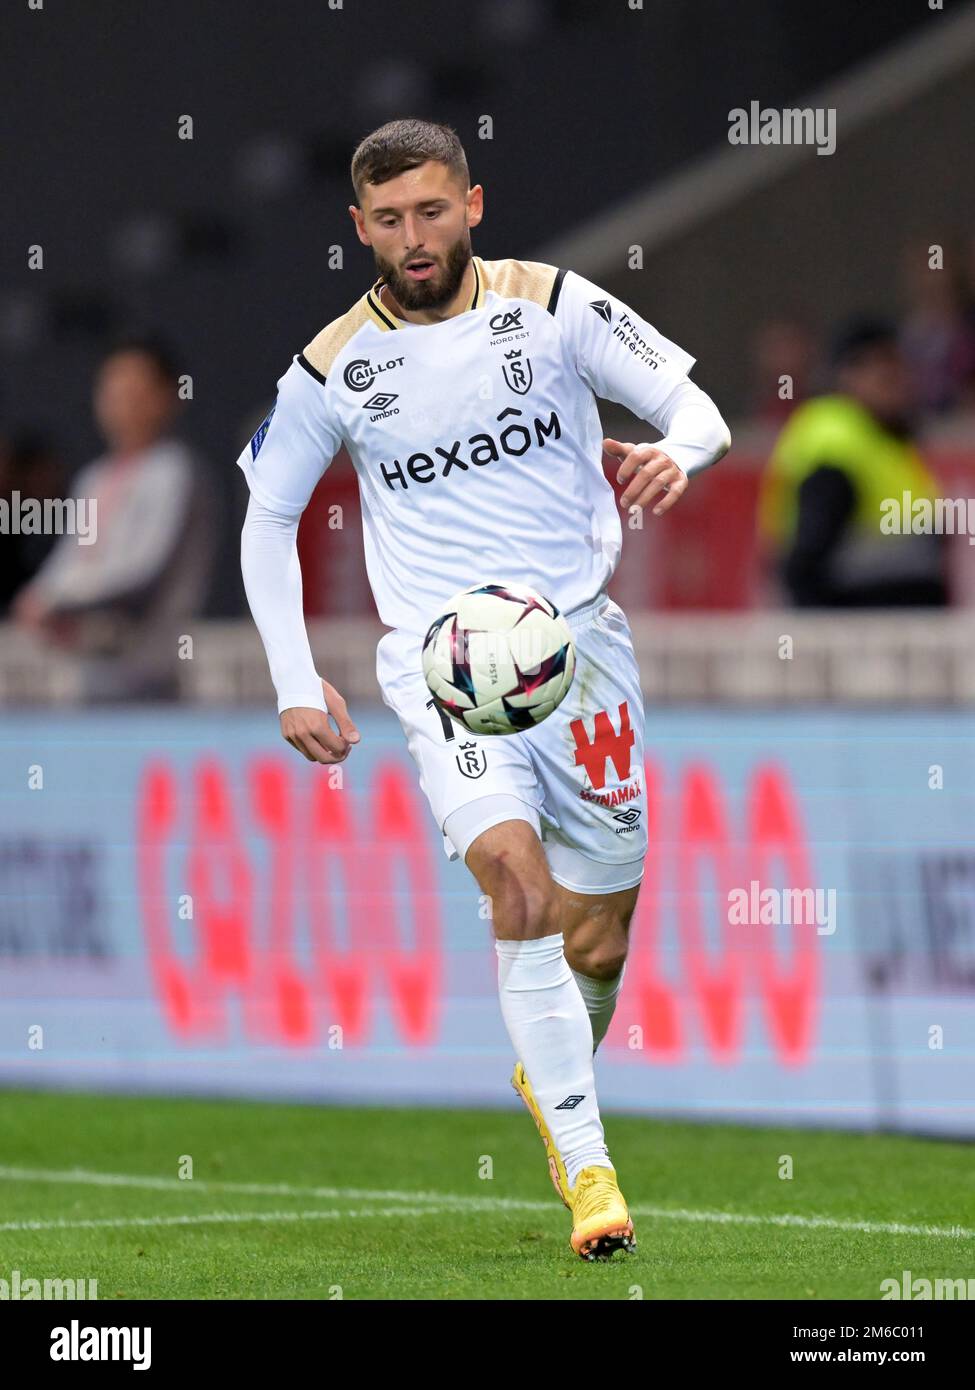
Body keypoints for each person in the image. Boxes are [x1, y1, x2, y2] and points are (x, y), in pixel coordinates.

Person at [238, 119, 730, 1261]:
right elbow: (269, 512)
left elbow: (690, 404)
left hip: (582, 648)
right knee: (518, 890)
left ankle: (552, 1069)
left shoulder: (552, 306)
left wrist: (683, 456)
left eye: (432, 209)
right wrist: (290, 675)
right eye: (390, 219)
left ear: (472, 203)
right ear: (359, 228)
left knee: (598, 939)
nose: (415, 238)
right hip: (443, 667)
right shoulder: (333, 364)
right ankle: (592, 1176)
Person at [12, 337, 212, 699]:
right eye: (113, 391)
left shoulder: (175, 470)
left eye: (136, 392)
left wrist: (57, 597)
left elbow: (142, 568)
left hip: (150, 665)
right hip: (88, 660)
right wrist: (38, 594)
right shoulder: (95, 476)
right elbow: (73, 554)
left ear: (167, 397)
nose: (122, 405)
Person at [759, 320, 948, 607]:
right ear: (848, 376)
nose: (900, 387)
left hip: (896, 636)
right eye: (886, 378)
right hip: (857, 638)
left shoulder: (892, 442)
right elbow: (806, 567)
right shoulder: (835, 442)